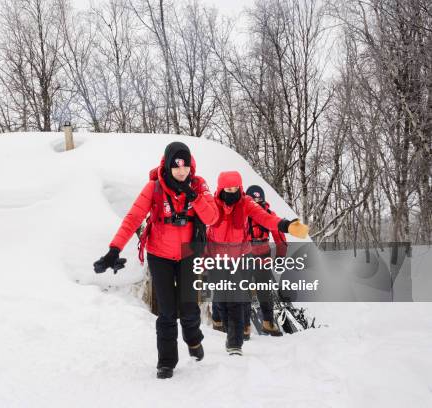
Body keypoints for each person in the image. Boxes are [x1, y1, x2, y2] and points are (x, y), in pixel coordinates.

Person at [93, 141, 218, 379]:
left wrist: (195, 197)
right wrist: (113, 250)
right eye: (176, 166)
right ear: (168, 165)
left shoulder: (199, 186)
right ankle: (166, 362)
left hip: (189, 255)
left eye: (185, 166)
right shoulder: (154, 188)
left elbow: (212, 218)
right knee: (167, 312)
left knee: (189, 308)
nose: (182, 171)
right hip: (160, 255)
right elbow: (132, 219)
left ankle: (193, 340)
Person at [207, 171, 308, 356]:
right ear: (221, 188)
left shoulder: (247, 206)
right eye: (228, 189)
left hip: (248, 257)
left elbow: (271, 224)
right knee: (222, 296)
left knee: (246, 295)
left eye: (235, 188)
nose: (232, 192)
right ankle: (222, 322)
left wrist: (287, 226)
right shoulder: (212, 206)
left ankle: (237, 340)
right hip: (219, 259)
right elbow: (202, 228)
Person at [243, 185, 288, 338]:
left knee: (264, 291)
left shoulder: (268, 214)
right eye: (253, 199)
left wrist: (281, 258)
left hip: (262, 256)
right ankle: (244, 325)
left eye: (259, 199)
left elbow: (280, 237)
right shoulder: (240, 214)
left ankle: (267, 323)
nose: (256, 201)